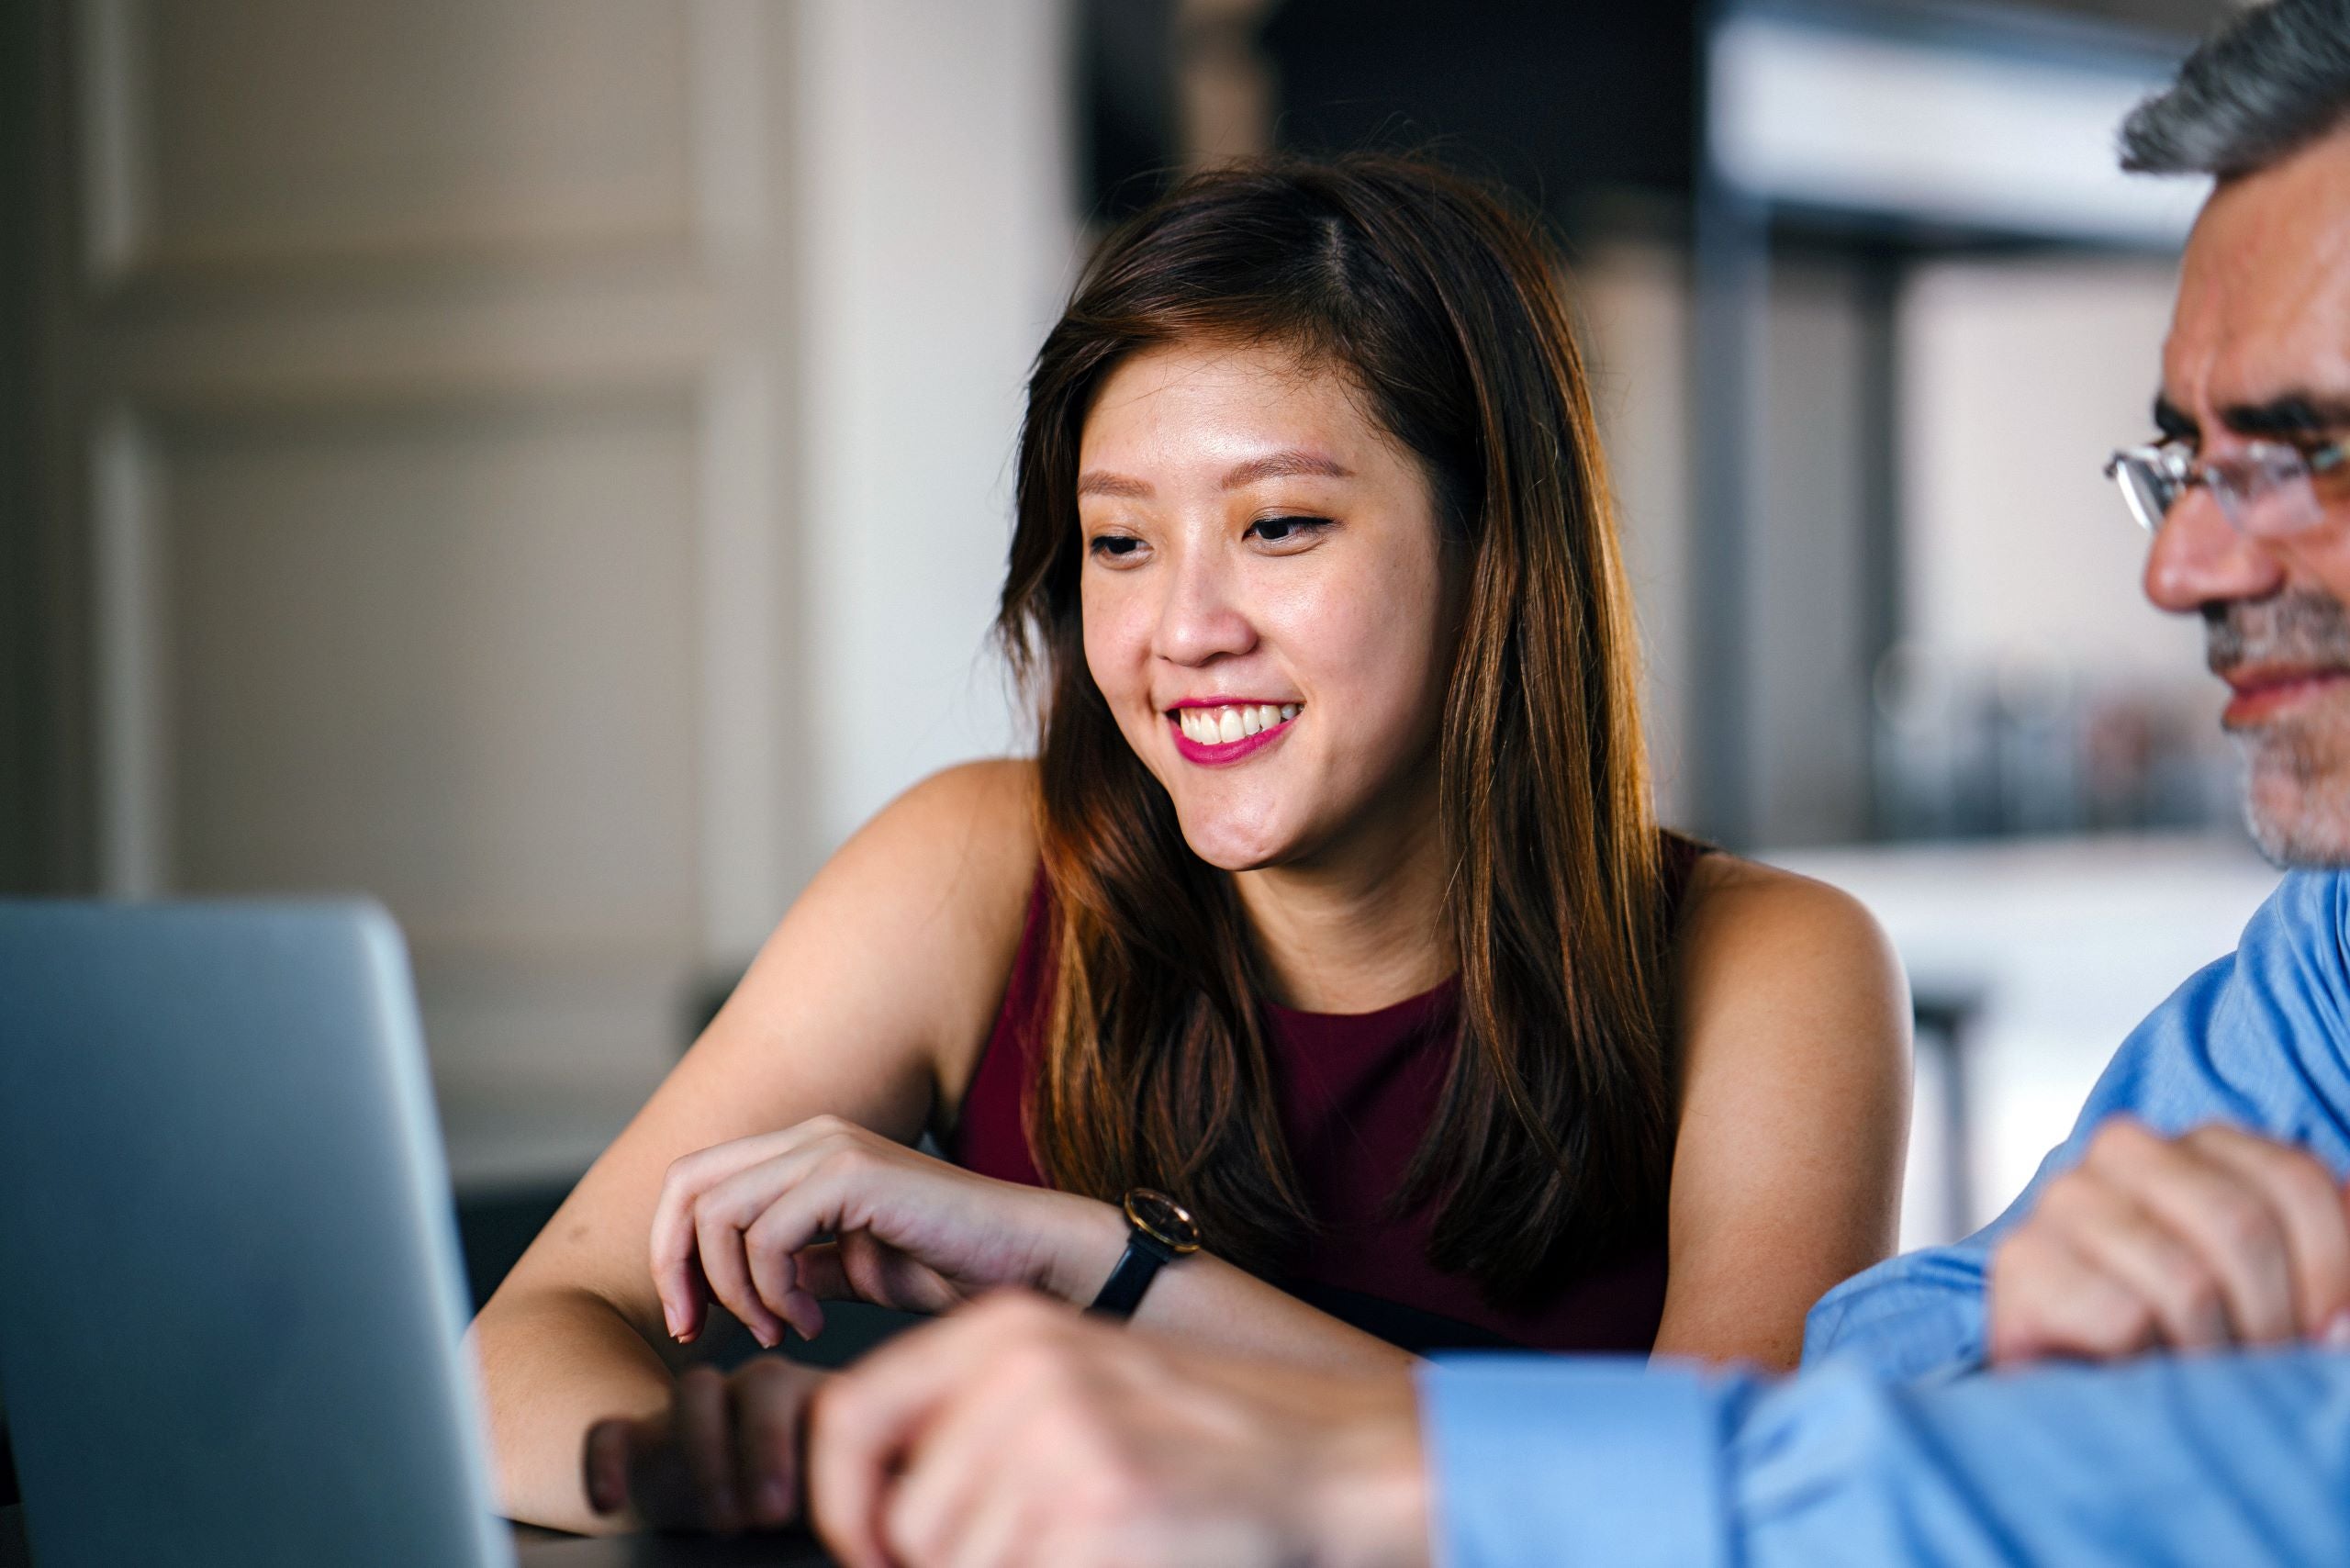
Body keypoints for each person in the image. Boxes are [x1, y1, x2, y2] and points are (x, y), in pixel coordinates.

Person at [791, 3, 2350, 1564]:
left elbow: (1791, 1472)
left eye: (2308, 452)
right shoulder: (2321, 968)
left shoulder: (1757, 960)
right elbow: (1886, 1389)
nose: (2177, 568)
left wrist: (1155, 1319)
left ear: (1493, 561)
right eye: (2192, 465)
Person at [468, 156, 1913, 1533]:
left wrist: (1095, 1262)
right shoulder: (973, 863)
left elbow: (1712, 1515)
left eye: (1281, 527)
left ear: (1498, 555)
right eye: (1119, 543)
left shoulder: (1770, 965)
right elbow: (520, 1349)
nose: (1183, 632)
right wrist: (708, 1481)